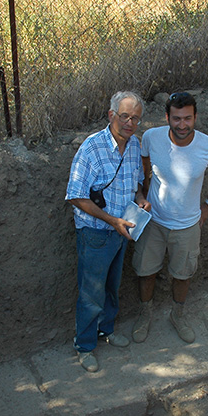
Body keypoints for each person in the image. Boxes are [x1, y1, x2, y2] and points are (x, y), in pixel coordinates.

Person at [132, 92, 208, 343]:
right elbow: (143, 165)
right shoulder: (152, 137)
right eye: (176, 118)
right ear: (167, 117)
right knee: (146, 271)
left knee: (182, 274)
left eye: (187, 118)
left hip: (188, 225)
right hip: (154, 221)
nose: (182, 125)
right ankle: (145, 315)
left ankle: (178, 314)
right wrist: (142, 193)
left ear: (195, 117)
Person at [65, 91, 150, 372]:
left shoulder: (135, 145)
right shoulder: (92, 148)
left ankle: (106, 330)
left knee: (112, 286)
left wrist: (139, 199)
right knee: (91, 292)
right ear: (111, 115)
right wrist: (111, 220)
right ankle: (85, 345)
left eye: (135, 118)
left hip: (121, 230)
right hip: (96, 233)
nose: (129, 122)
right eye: (124, 116)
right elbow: (76, 196)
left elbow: (137, 182)